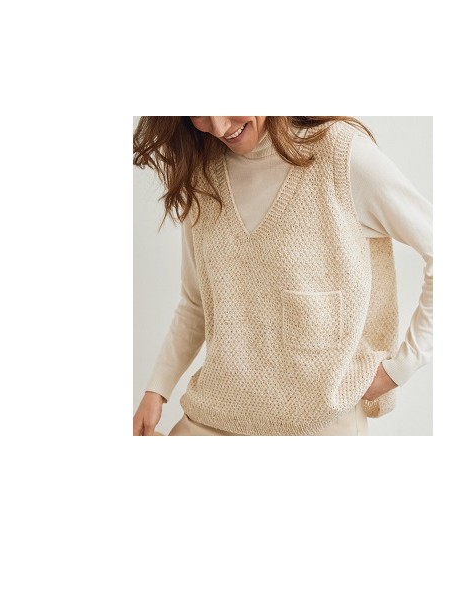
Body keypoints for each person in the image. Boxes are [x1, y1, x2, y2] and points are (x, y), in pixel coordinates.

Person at [132, 116, 432, 436]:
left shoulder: (341, 155)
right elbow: (197, 302)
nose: (218, 127)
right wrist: (157, 390)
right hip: (214, 414)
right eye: (200, 113)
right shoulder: (203, 178)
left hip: (321, 422)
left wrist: (401, 367)